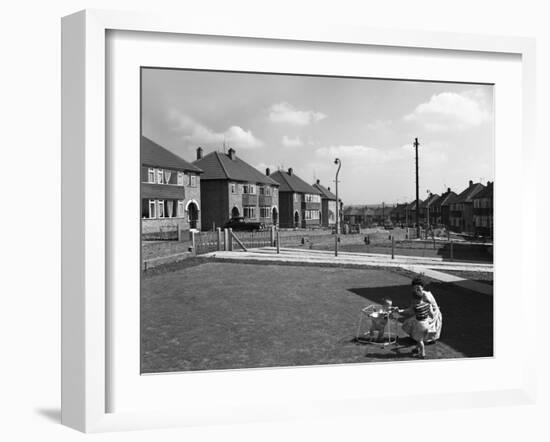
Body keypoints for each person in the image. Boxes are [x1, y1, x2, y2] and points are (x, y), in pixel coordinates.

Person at [398, 276, 442, 358]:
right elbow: (413, 308)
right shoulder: (417, 296)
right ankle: (417, 346)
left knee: (419, 337)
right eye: (415, 288)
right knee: (420, 335)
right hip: (425, 317)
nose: (416, 289)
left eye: (418, 287)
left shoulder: (424, 295)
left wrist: (400, 311)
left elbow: (412, 310)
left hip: (426, 318)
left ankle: (422, 352)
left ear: (422, 287)